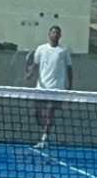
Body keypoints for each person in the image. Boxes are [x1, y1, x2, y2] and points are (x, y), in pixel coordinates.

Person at [26, 24, 72, 153]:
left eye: (57, 33)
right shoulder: (41, 49)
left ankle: (44, 138)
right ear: (49, 34)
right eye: (53, 32)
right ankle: (45, 129)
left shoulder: (64, 50)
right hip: (41, 88)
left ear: (60, 35)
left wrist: (70, 84)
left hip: (57, 88)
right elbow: (35, 64)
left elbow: (69, 68)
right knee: (37, 113)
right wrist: (30, 74)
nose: (55, 35)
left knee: (50, 113)